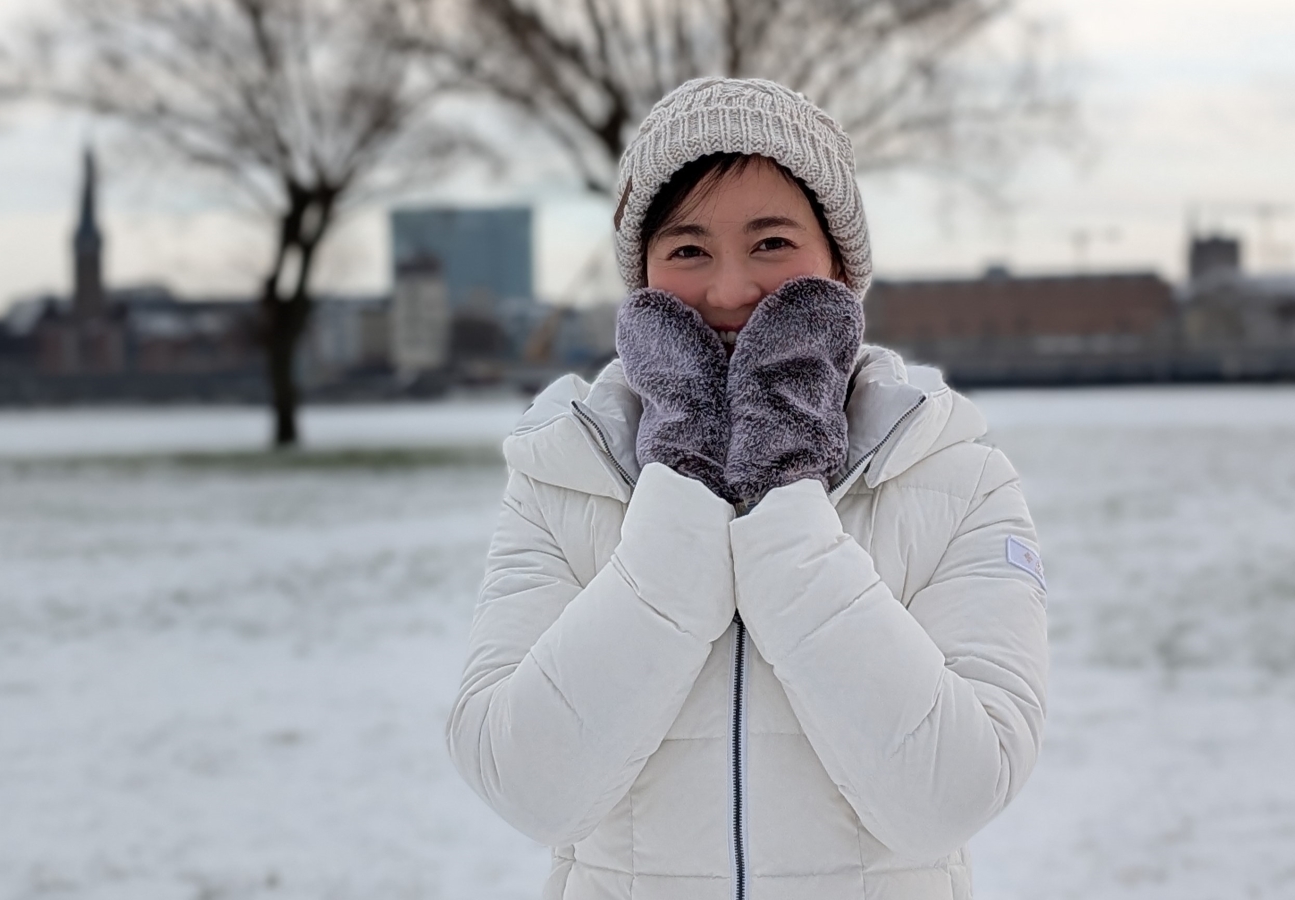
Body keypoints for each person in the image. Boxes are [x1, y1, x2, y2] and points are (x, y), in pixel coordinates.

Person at [448, 77, 1049, 900]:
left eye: (771, 243)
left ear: (839, 262)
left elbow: (950, 796)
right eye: (689, 250)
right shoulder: (565, 475)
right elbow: (529, 785)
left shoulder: (955, 474)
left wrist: (781, 497)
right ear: (644, 277)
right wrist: (683, 485)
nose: (730, 290)